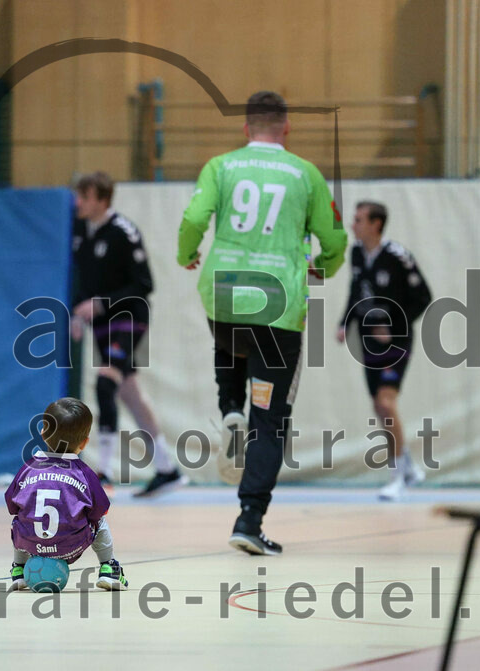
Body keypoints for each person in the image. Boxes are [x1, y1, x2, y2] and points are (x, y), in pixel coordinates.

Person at [179, 91, 348, 555]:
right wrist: (323, 268)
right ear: (287, 127)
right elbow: (335, 239)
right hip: (279, 305)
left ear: (246, 128)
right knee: (270, 419)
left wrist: (186, 252)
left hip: (224, 293)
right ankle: (249, 518)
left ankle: (230, 406)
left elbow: (194, 217)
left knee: (232, 336)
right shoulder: (306, 174)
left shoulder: (221, 166)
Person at [70, 171, 187, 498]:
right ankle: (167, 469)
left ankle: (104, 473)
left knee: (105, 384)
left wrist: (101, 303)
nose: (77, 203)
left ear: (102, 200)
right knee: (130, 394)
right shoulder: (79, 231)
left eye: (84, 197)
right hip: (102, 323)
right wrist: (77, 313)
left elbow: (144, 284)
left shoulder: (124, 231)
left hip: (129, 318)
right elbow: (84, 279)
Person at [337, 201, 432, 501]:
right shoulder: (356, 253)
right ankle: (409, 467)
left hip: (396, 341)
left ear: (376, 224)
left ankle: (397, 477)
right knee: (379, 408)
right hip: (368, 340)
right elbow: (355, 289)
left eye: (359, 220)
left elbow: (424, 297)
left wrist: (394, 326)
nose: (353, 225)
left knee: (386, 403)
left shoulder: (398, 257)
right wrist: (345, 322)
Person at [5, 397, 128, 591]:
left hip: (30, 544)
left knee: (18, 519)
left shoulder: (28, 468)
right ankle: (108, 568)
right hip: (70, 547)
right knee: (100, 520)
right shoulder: (84, 473)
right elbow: (100, 508)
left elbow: (11, 504)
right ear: (85, 443)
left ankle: (18, 570)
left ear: (43, 433)